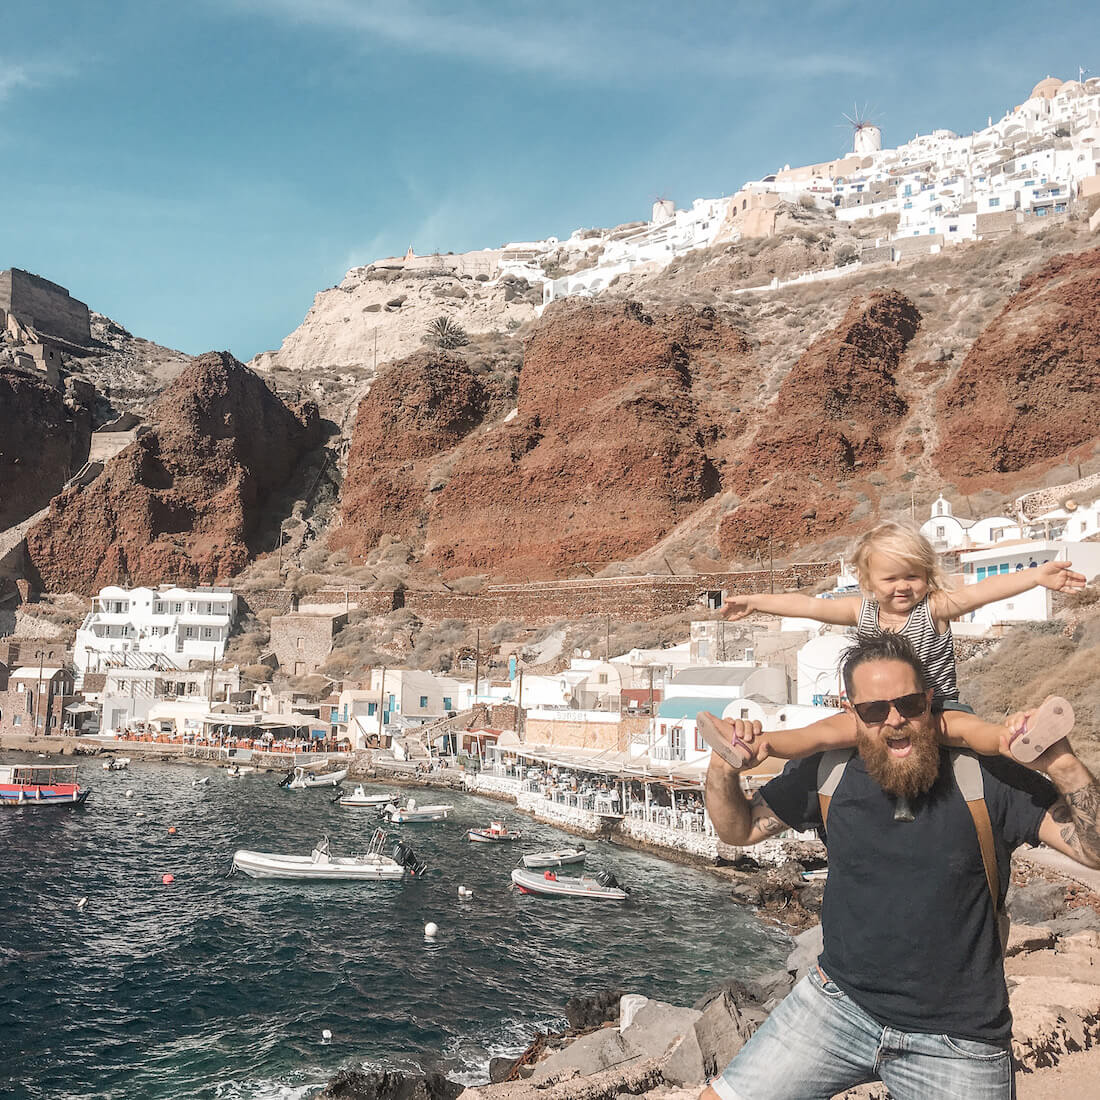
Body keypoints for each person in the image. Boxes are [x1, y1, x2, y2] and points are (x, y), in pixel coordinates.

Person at [699, 632, 1100, 1100]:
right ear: (851, 714)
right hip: (838, 1006)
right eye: (874, 710)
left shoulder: (986, 775)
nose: (895, 721)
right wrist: (723, 768)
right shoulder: (828, 770)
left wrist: (1063, 764)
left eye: (909, 704)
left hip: (958, 1039)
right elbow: (739, 830)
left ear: (930, 701)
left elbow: (1092, 851)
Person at [711, 521, 1085, 766]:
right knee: (824, 732)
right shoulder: (862, 611)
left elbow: (983, 591)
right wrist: (755, 601)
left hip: (935, 707)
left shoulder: (935, 607)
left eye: (913, 576)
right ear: (869, 581)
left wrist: (1036, 576)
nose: (903, 586)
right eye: (891, 578)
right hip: (875, 711)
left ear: (927, 576)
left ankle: (1015, 740)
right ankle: (757, 748)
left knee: (969, 731)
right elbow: (809, 605)